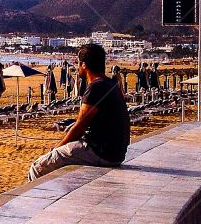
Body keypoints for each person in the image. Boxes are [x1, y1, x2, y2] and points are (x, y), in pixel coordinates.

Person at [28, 43, 130, 181]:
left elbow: (80, 127)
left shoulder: (96, 87)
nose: (77, 68)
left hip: (101, 152)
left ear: (84, 65)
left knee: (38, 166)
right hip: (117, 153)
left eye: (78, 63)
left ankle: (34, 201)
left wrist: (56, 148)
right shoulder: (111, 84)